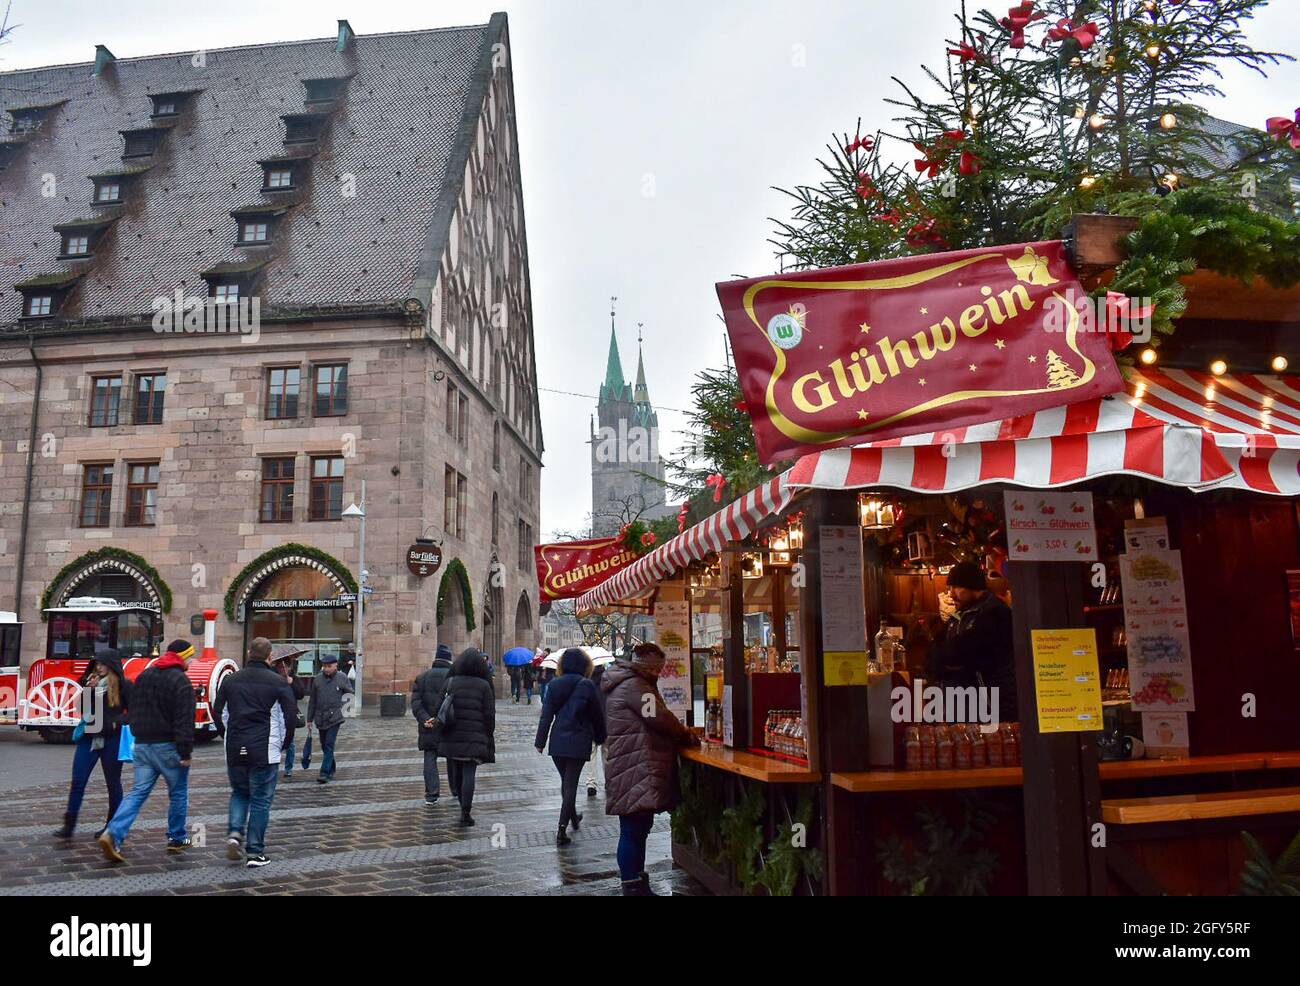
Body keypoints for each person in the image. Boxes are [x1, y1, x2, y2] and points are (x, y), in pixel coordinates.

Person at [602, 641, 698, 895]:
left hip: (629, 764)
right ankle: (632, 887)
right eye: (658, 669)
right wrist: (686, 734)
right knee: (634, 828)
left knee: (637, 827)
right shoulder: (636, 686)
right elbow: (660, 718)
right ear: (649, 668)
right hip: (635, 766)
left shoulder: (628, 683)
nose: (660, 674)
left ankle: (637, 882)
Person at [98, 639, 197, 862]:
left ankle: (113, 834)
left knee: (137, 793)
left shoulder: (145, 675)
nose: (191, 661)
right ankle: (176, 838)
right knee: (178, 793)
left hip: (142, 745)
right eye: (190, 657)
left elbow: (134, 709)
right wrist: (185, 752)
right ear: (182, 657)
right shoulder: (181, 681)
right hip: (168, 746)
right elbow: (184, 720)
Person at [211, 637, 298, 867]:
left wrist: (224, 734)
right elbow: (290, 717)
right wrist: (286, 743)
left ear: (249, 652)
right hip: (264, 748)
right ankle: (254, 852)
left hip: (235, 745)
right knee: (260, 799)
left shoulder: (230, 680)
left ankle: (234, 833)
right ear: (270, 657)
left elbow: (217, 710)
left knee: (239, 792)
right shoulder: (278, 682)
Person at [55, 649, 132, 839]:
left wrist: (117, 722)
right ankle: (69, 824)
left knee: (113, 783)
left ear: (112, 665)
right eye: (97, 664)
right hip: (89, 737)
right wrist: (89, 689)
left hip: (112, 739)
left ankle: (111, 827)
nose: (99, 668)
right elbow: (81, 709)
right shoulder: (93, 683)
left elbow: (135, 712)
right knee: (78, 781)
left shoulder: (125, 685)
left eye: (102, 664)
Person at [930, 560, 1017, 722]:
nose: (951, 594)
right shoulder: (959, 614)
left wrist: (948, 656)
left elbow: (963, 652)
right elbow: (935, 650)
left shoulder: (995, 612)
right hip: (961, 704)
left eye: (956, 587)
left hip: (987, 706)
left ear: (972, 586)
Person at [534, 648, 606, 846]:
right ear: (585, 665)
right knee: (570, 784)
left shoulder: (554, 684)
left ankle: (573, 818)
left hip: (558, 741)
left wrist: (540, 742)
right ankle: (561, 829)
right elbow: (597, 716)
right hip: (579, 740)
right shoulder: (588, 685)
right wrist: (600, 737)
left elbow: (546, 715)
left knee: (566, 783)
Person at [437, 648, 495, 826]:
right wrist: (488, 733)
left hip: (452, 734)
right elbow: (489, 714)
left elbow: (439, 707)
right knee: (470, 772)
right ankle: (465, 812)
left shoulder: (451, 681)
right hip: (475, 735)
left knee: (457, 772)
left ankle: (462, 805)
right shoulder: (484, 685)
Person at [410, 643, 454, 806]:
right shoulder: (452, 679)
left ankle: (432, 794)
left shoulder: (422, 678)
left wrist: (425, 719)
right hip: (448, 725)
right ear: (449, 660)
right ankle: (455, 789)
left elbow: (416, 703)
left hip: (428, 726)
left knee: (430, 757)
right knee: (452, 757)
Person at [307, 653, 354, 783]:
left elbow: (350, 693)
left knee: (329, 743)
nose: (326, 668)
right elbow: (313, 700)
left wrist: (344, 708)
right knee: (324, 744)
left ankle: (324, 772)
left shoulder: (341, 677)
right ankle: (331, 768)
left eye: (329, 666)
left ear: (335, 666)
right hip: (320, 717)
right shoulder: (317, 679)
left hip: (335, 717)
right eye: (324, 666)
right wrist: (309, 719)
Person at [280, 657, 309, 781]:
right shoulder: (271, 678)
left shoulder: (293, 678)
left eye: (285, 667)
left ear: (289, 667)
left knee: (290, 743)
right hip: (275, 714)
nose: (283, 669)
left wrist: (291, 683)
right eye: (280, 667)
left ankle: (288, 768)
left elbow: (300, 694)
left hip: (289, 714)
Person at [583, 660, 608, 799]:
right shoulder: (609, 682)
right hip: (606, 722)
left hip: (591, 723)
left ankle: (591, 784)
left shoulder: (586, 683)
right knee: (607, 754)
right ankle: (608, 781)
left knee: (591, 755)